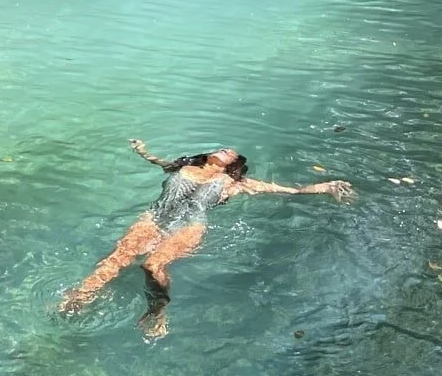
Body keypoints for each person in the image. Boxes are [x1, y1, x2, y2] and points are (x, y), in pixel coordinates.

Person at [59, 140, 354, 338]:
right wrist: (142, 150)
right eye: (224, 147)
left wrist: (324, 187)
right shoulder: (182, 167)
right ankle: (81, 297)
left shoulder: (233, 183)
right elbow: (156, 161)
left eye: (232, 153)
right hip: (155, 217)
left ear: (234, 164)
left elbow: (286, 190)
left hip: (189, 225)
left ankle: (158, 310)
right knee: (118, 257)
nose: (227, 149)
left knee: (152, 267)